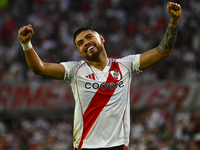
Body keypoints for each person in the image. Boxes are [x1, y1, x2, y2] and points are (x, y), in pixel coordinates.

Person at [18, 2, 181, 150]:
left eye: (89, 37)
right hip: (86, 146)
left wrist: (173, 20)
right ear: (79, 52)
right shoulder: (74, 70)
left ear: (101, 39)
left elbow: (163, 51)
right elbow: (39, 68)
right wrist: (26, 44)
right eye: (80, 43)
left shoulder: (126, 65)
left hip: (117, 145)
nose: (85, 43)